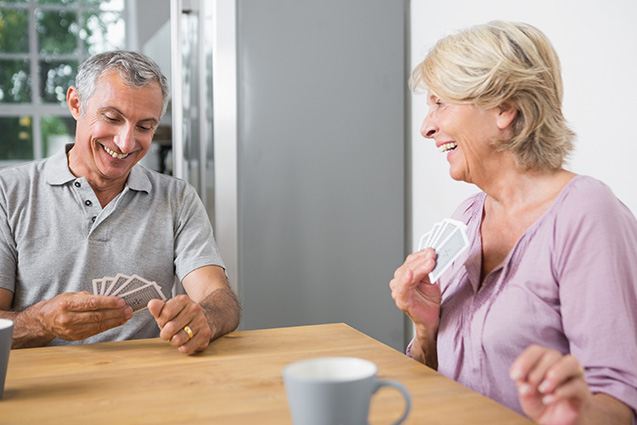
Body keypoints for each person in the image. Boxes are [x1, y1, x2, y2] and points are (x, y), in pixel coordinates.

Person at [390, 21, 637, 425]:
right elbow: (435, 385)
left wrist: (574, 414)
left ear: (503, 108)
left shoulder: (586, 214)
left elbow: (619, 405)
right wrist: (426, 330)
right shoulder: (467, 219)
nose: (427, 127)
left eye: (441, 103)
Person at [0, 51, 240, 355]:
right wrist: (41, 323)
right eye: (112, 118)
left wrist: (206, 318)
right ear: (76, 104)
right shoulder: (8, 193)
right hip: (42, 386)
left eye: (144, 127)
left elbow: (219, 297)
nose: (126, 143)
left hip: (147, 381)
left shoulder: (177, 198)